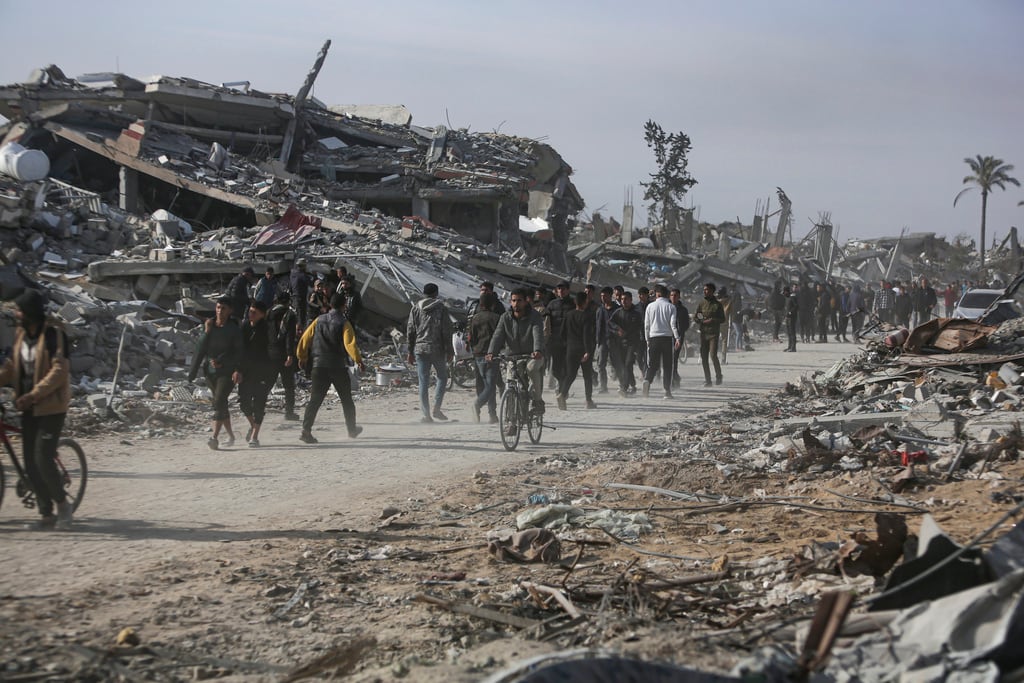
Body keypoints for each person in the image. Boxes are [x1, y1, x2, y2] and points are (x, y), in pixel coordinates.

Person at [0, 290, 73, 530]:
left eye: (19, 310)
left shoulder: (55, 335)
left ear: (30, 312)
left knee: (42, 459)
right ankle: (46, 515)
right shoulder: (21, 335)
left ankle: (62, 505)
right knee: (30, 463)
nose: (16, 314)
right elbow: (11, 368)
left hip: (51, 407)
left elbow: (58, 371)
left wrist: (33, 394)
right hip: (28, 407)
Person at [295, 292, 365, 443]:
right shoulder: (344, 322)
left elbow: (305, 339)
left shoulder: (318, 320)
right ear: (343, 305)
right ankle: (352, 429)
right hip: (337, 366)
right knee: (346, 399)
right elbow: (350, 344)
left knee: (315, 400)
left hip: (318, 366)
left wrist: (302, 356)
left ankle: (306, 430)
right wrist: (358, 360)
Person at [188, 297, 243, 450]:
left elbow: (238, 352)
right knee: (221, 404)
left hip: (228, 372)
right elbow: (200, 349)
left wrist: (236, 369)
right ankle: (231, 436)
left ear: (230, 311)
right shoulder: (210, 325)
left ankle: (214, 438)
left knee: (218, 401)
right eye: (218, 307)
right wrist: (192, 373)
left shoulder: (234, 329)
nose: (220, 311)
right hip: (210, 372)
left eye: (223, 308)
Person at [486, 287, 545, 416]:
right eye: (513, 301)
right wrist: (491, 352)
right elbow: (498, 335)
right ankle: (511, 421)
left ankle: (538, 401)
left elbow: (537, 334)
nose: (515, 304)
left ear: (525, 301)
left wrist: (537, 350)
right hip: (512, 356)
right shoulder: (505, 317)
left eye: (519, 301)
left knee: (531, 369)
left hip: (532, 355)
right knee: (510, 384)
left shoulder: (534, 316)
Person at [406, 283, 454, 423]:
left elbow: (410, 331)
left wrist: (409, 351)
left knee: (423, 381)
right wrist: (450, 350)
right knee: (442, 378)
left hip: (420, 349)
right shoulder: (442, 308)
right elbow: (446, 330)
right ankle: (437, 409)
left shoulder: (415, 308)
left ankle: (426, 415)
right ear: (436, 293)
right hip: (437, 349)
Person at [238, 301, 274, 447]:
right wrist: (237, 369)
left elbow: (271, 349)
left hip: (262, 372)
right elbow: (239, 349)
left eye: (254, 312)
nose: (250, 314)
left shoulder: (267, 329)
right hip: (245, 371)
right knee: (244, 404)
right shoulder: (245, 326)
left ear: (262, 315)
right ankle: (253, 425)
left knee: (259, 404)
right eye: (250, 311)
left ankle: (255, 436)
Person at [556, 292, 597, 410]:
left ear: (575, 302)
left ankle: (562, 394)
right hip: (583, 349)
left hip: (571, 348)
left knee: (570, 374)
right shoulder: (587, 316)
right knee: (587, 376)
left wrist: (567, 344)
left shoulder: (568, 315)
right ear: (586, 302)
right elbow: (587, 335)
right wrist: (588, 351)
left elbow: (562, 332)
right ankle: (588, 401)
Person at [467, 291, 502, 423]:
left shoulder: (475, 318)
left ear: (480, 304)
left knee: (487, 384)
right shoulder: (497, 318)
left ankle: (492, 415)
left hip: (478, 354)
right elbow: (500, 336)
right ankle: (478, 404)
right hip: (492, 354)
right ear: (493, 304)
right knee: (491, 385)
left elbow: (471, 337)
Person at [641, 284, 680, 399]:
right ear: (666, 294)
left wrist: (647, 339)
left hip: (653, 338)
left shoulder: (650, 307)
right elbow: (673, 324)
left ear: (657, 294)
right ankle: (667, 391)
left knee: (652, 364)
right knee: (667, 366)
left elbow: (646, 325)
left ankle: (647, 380)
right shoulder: (671, 307)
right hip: (667, 339)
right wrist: (677, 338)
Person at [267, 290, 300, 421]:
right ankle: (289, 412)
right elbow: (289, 337)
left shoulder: (269, 313)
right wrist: (290, 354)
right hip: (284, 354)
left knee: (268, 383)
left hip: (270, 353)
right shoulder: (290, 315)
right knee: (288, 385)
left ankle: (256, 408)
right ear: (288, 301)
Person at [609, 291, 644, 397]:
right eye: (622, 299)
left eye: (626, 299)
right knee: (624, 366)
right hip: (620, 343)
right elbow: (610, 322)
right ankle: (632, 385)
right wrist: (617, 330)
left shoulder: (636, 314)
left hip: (632, 343)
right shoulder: (618, 312)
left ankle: (624, 387)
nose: (623, 301)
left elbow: (640, 328)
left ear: (630, 300)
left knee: (628, 364)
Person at [544, 282, 573, 392]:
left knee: (566, 367)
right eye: (559, 289)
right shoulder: (552, 304)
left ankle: (563, 390)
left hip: (568, 341)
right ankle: (561, 383)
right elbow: (546, 322)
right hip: (554, 341)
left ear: (568, 290)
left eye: (563, 289)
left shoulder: (573, 304)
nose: (561, 291)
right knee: (555, 369)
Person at [695, 282, 725, 386]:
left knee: (713, 355)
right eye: (704, 289)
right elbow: (697, 316)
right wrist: (702, 320)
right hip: (703, 333)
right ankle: (708, 380)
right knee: (704, 357)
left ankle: (718, 376)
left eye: (707, 290)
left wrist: (712, 320)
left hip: (713, 334)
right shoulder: (701, 303)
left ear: (712, 291)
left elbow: (722, 319)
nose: (705, 291)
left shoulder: (717, 304)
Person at [594, 286, 620, 394]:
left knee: (616, 363)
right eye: (601, 296)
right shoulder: (600, 309)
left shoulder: (617, 309)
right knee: (600, 364)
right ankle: (603, 387)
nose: (603, 298)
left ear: (611, 296)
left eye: (605, 296)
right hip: (602, 341)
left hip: (614, 340)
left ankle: (622, 385)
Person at [669, 288, 690, 388]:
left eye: (675, 295)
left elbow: (686, 324)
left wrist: (680, 332)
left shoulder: (683, 310)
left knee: (674, 359)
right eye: (672, 295)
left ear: (679, 297)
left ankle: (674, 379)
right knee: (668, 359)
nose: (673, 297)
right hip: (667, 336)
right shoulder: (666, 307)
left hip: (678, 337)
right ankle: (674, 377)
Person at [290, 258, 311, 332]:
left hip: (294, 298)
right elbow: (310, 282)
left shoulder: (293, 274)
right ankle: (299, 333)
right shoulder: (302, 275)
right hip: (301, 298)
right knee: (301, 317)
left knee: (296, 315)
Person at [783, 285, 799, 352]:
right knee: (789, 333)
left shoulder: (793, 297)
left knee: (792, 333)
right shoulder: (787, 298)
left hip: (792, 318)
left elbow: (796, 306)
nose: (784, 294)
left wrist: (790, 312)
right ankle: (789, 346)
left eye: (784, 292)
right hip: (787, 318)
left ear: (787, 292)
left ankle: (793, 347)